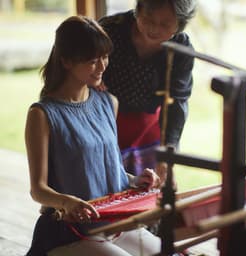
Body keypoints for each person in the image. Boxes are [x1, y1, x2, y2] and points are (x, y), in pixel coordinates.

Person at [25, 16, 162, 256]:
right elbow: (38, 189)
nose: (102, 66)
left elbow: (103, 168)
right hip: (68, 232)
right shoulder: (42, 115)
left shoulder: (109, 103)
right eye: (92, 60)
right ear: (66, 61)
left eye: (105, 57)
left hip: (114, 224)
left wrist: (135, 180)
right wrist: (67, 202)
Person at [98, 0, 196, 184]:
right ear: (139, 8)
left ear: (179, 24)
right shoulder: (110, 30)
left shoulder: (181, 48)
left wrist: (169, 150)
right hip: (105, 122)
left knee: (150, 186)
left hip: (150, 127)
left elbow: (177, 100)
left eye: (165, 24)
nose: (154, 29)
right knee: (105, 187)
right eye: (148, 19)